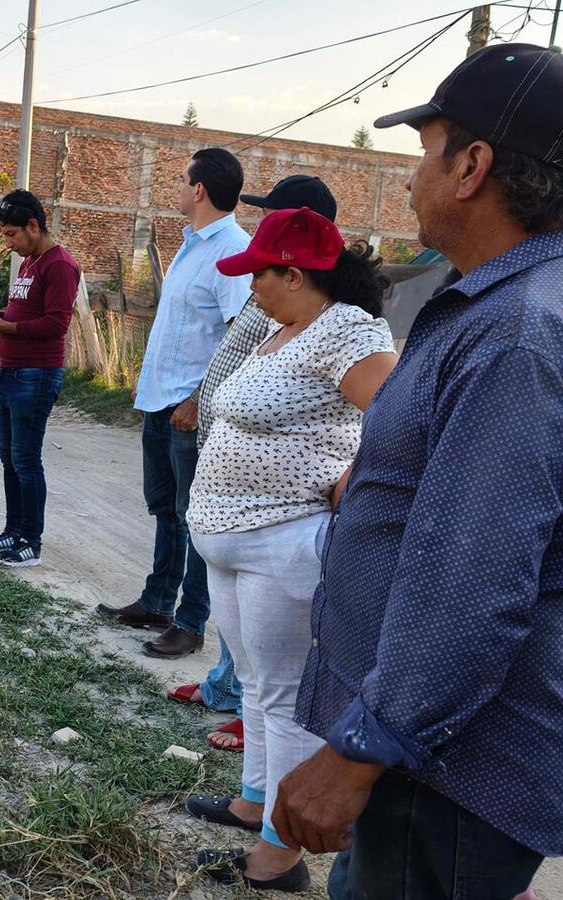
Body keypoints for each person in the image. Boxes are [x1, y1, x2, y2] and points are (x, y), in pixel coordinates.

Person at [274, 43, 563, 899]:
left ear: (473, 165)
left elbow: (471, 579)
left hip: (446, 773)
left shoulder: (517, 334)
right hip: (437, 758)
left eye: (424, 148)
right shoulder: (506, 306)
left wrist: (364, 749)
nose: (409, 177)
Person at [185, 207, 397, 892]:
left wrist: (350, 479)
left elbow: (402, 425)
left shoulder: (348, 332)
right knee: (254, 681)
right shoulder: (284, 330)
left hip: (283, 542)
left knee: (285, 697)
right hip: (232, 540)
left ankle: (279, 856)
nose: (251, 288)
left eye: (259, 276)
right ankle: (255, 801)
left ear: (295, 273)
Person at [167, 175, 341, 755]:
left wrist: (350, 479)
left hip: (276, 526)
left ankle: (274, 828)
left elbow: (385, 412)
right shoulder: (281, 305)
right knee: (251, 659)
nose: (260, 222)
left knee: (275, 683)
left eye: (274, 215)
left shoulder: (332, 321)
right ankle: (231, 703)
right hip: (230, 511)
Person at [96, 149, 252, 659]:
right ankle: (158, 601)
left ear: (200, 189)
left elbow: (242, 339)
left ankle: (191, 622)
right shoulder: (191, 246)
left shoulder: (232, 251)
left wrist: (196, 400)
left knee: (194, 518)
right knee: (164, 509)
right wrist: (153, 394)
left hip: (191, 411)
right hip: (162, 403)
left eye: (182, 180)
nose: (177, 188)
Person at [0, 189, 80, 568]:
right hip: (12, 370)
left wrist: (7, 327)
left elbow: (56, 323)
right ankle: (13, 532)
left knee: (26, 459)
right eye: (4, 235)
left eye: (12, 234)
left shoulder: (59, 264)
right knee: (9, 457)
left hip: (37, 374)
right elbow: (28, 311)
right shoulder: (31, 263)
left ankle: (31, 541)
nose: (8, 242)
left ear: (34, 225)